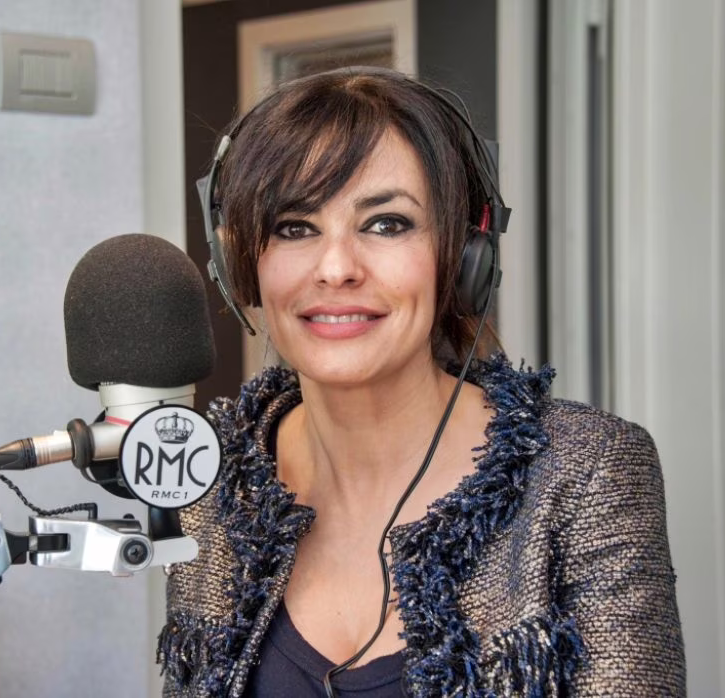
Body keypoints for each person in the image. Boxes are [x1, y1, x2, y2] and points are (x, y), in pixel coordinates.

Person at [157, 67, 685, 697]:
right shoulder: (214, 478)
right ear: (241, 264)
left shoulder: (587, 470)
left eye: (387, 223)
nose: (336, 268)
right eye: (294, 227)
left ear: (463, 256)